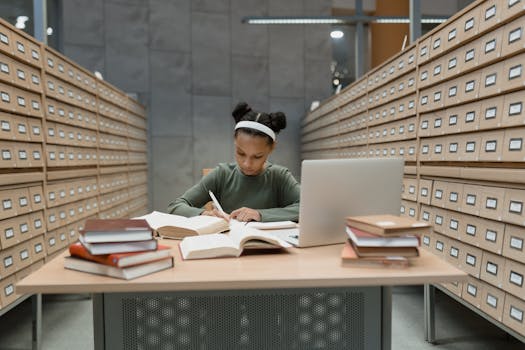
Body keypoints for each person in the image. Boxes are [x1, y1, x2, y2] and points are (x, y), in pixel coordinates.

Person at [167, 102, 300, 222]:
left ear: (272, 148)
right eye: (241, 153)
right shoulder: (222, 174)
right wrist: (202, 214)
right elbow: (175, 206)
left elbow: (308, 208)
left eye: (257, 156)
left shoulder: (279, 177)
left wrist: (260, 214)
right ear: (235, 142)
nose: (247, 164)